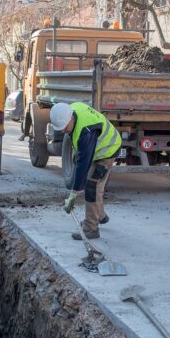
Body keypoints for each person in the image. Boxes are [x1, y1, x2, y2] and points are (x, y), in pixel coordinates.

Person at [50, 102, 122, 240]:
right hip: (98, 148)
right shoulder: (73, 109)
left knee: (91, 187)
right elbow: (80, 150)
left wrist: (73, 193)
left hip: (108, 150)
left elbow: (83, 165)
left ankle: (91, 228)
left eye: (65, 127)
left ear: (71, 118)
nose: (63, 130)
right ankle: (99, 216)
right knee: (97, 186)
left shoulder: (86, 132)